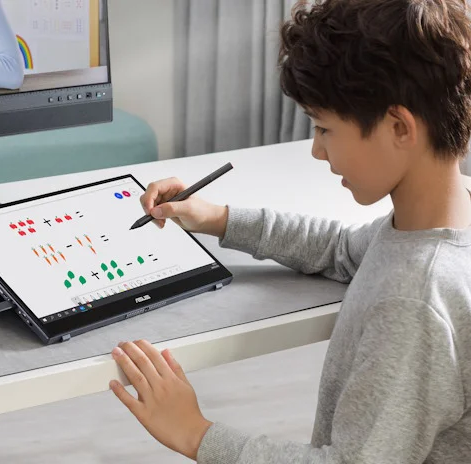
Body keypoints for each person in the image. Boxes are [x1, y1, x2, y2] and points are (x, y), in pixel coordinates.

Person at [108, 0, 471, 462]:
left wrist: (195, 434)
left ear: (399, 127)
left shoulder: (416, 298)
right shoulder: (437, 223)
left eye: (324, 129)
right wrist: (215, 217)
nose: (317, 151)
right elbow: (340, 249)